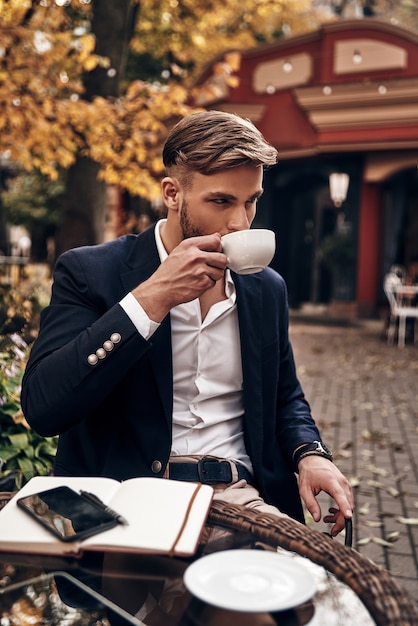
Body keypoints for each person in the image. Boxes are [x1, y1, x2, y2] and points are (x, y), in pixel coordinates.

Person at [21, 110, 353, 539]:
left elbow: (285, 396)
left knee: (294, 595)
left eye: (251, 200)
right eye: (221, 201)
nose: (240, 221)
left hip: (239, 494)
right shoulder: (91, 272)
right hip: (122, 498)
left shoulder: (266, 289)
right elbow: (42, 407)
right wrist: (151, 298)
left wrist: (311, 454)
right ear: (172, 193)